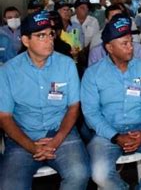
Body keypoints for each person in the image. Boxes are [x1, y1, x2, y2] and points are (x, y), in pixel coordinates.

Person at [81, 14, 141, 189]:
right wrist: (115, 136)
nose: (130, 48)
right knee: (99, 173)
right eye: (124, 44)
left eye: (130, 42)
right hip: (107, 134)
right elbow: (91, 113)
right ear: (109, 47)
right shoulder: (93, 74)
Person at [0, 11, 91, 189]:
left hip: (61, 133)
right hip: (22, 136)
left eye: (50, 34)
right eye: (41, 36)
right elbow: (4, 117)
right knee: (9, 185)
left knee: (79, 174)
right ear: (26, 41)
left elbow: (73, 107)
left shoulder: (66, 65)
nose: (49, 40)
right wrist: (32, 146)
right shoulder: (8, 71)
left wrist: (56, 140)